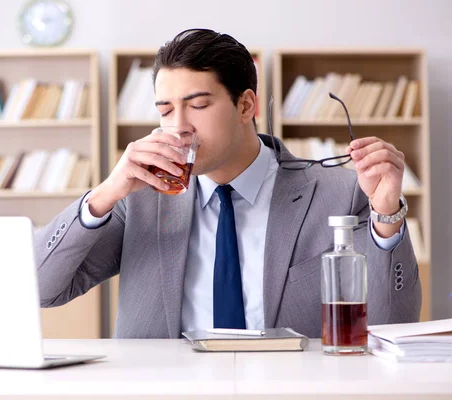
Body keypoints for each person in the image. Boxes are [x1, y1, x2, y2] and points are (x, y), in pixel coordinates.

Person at [35, 28, 421, 338]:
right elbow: (41, 289)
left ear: (246, 106)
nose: (179, 125)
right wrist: (103, 196)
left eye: (198, 105)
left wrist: (386, 215)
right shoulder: (137, 198)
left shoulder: (340, 193)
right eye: (165, 110)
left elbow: (392, 324)